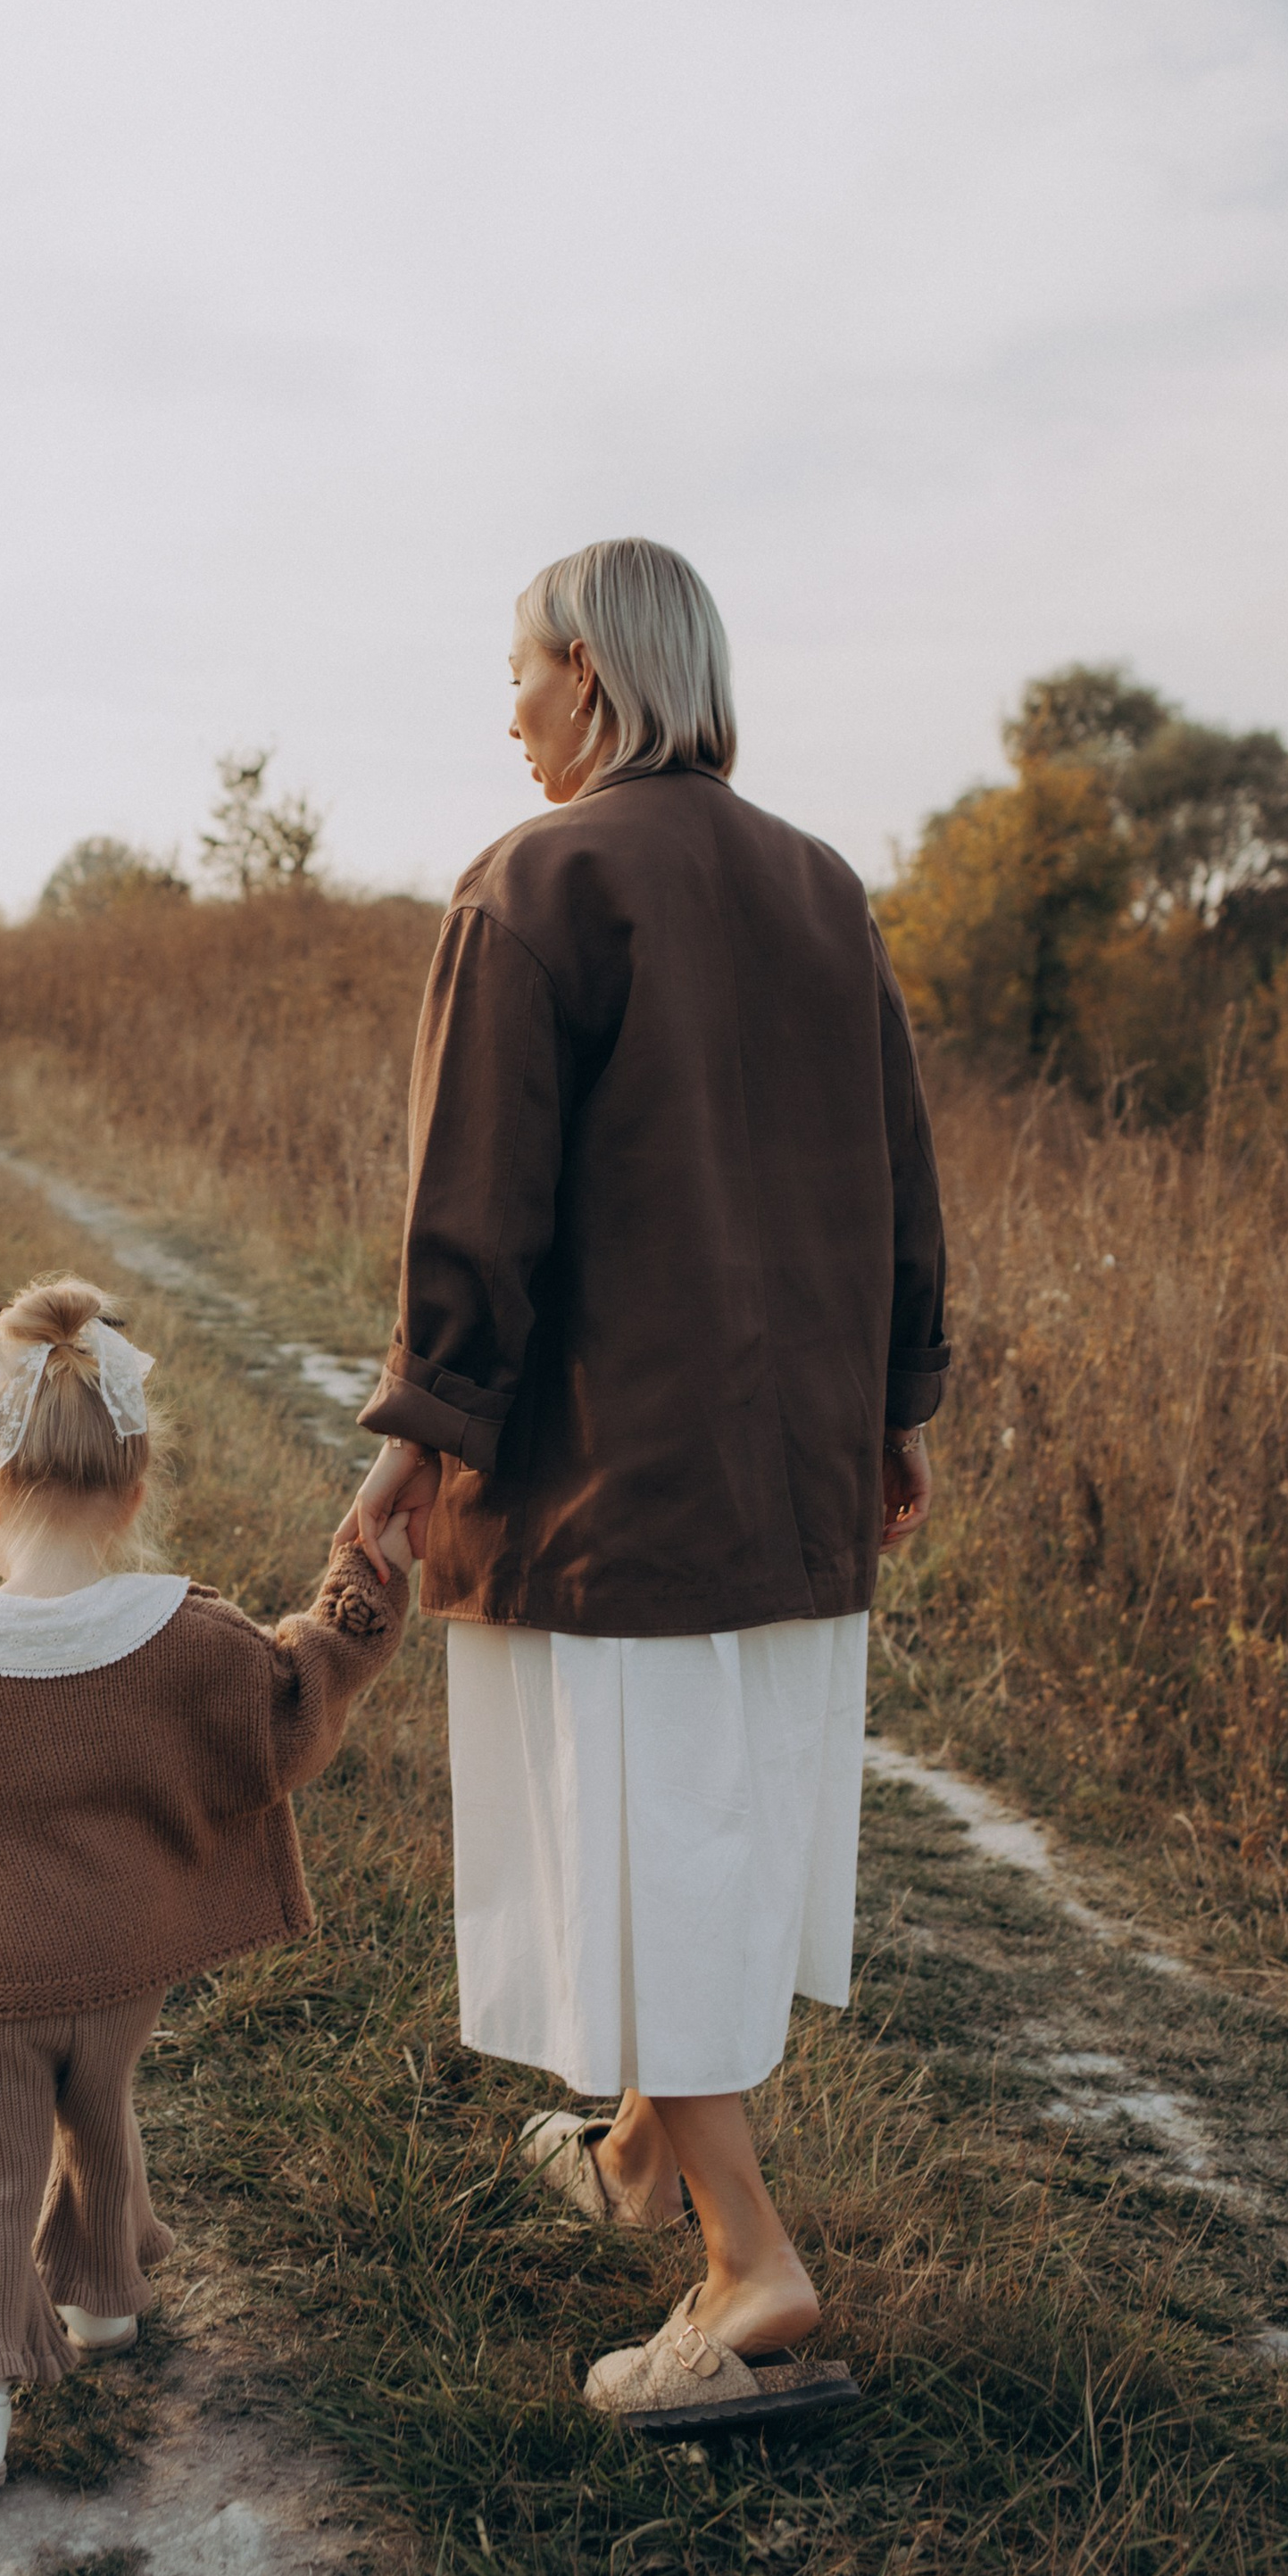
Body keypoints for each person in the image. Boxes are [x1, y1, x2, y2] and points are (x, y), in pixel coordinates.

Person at [340, 536, 948, 2436]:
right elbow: (896, 1186)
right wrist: (894, 1412)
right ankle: (627, 2156)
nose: (504, 710)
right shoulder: (820, 888)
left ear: (589, 671)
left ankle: (745, 2267)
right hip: (787, 1485)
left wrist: (418, 1439)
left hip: (610, 1485)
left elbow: (478, 1213)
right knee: (699, 1824)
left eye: (516, 673)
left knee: (635, 1852)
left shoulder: (536, 883)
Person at [0, 1276, 414, 2491]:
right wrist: (354, 1598)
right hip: (122, 1967)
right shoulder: (189, 1637)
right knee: (98, 2110)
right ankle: (103, 2295)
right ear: (139, 1491)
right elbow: (286, 1717)